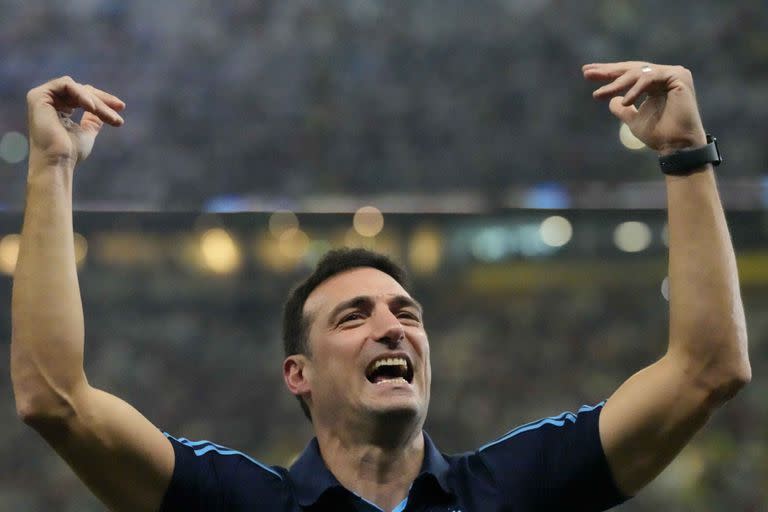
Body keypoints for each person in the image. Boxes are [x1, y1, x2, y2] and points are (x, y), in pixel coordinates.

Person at [11, 62, 750, 511]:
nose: (392, 327)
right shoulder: (237, 501)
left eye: (406, 312)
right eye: (352, 317)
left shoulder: (511, 490)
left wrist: (685, 155)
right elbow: (56, 400)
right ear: (296, 374)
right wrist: (52, 168)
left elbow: (706, 370)